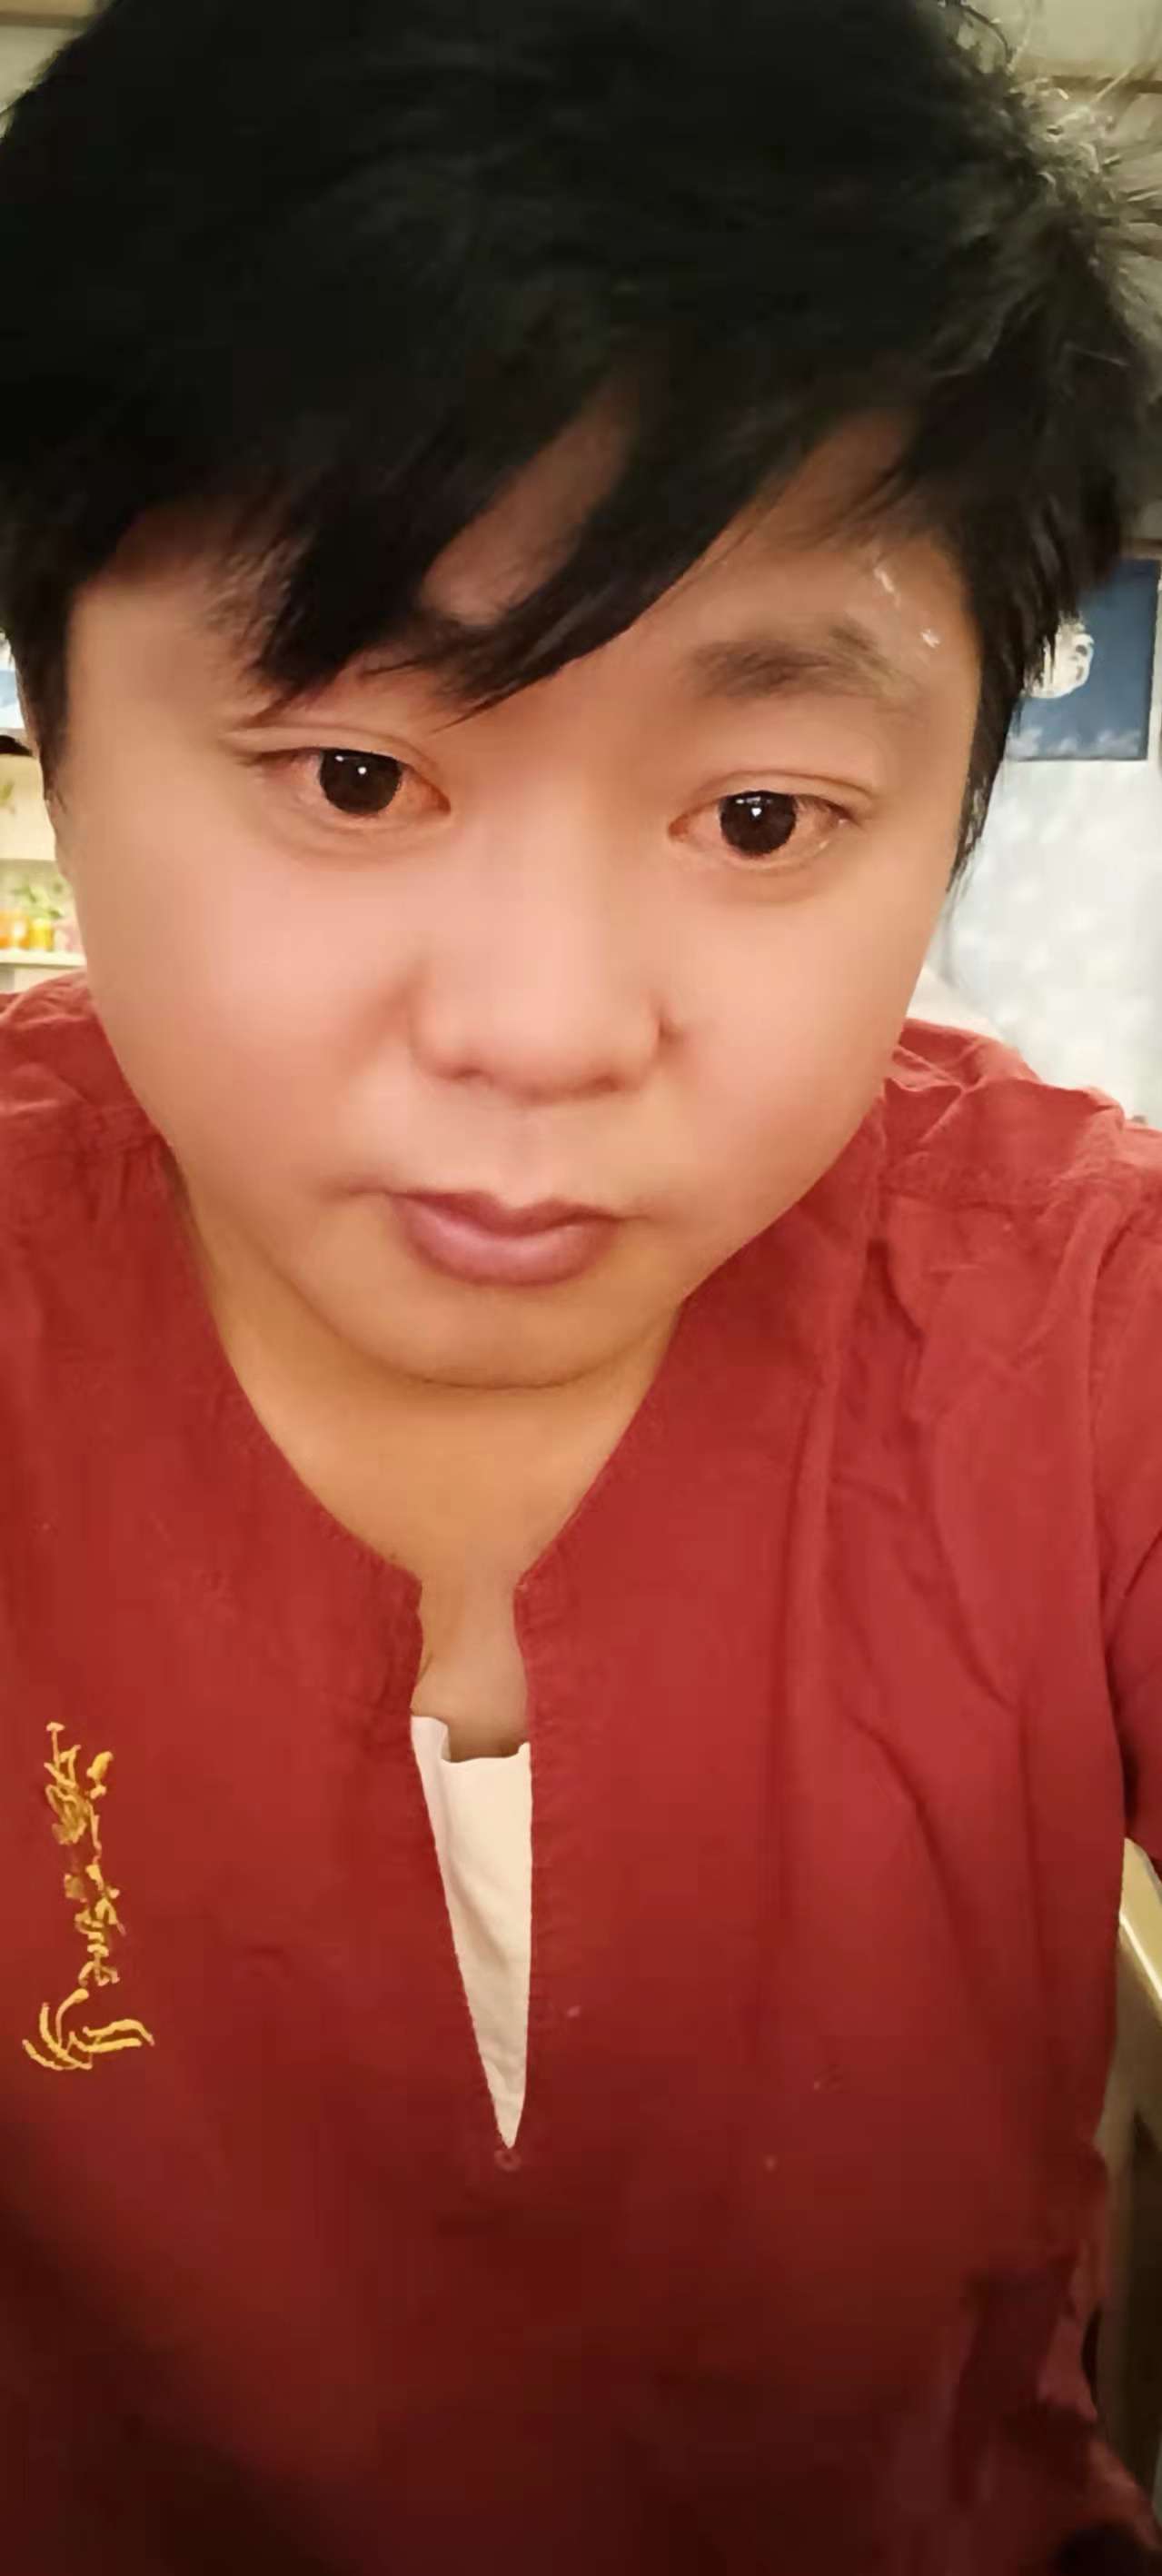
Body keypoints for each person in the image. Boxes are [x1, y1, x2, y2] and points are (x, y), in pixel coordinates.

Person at [0, 0, 1159, 2566]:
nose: (541, 1029)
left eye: (760, 816)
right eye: (355, 774)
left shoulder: (1088, 1325)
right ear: (55, 725)